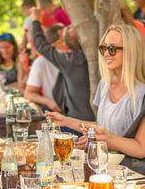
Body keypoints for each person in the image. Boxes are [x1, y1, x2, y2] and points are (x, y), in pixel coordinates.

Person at [46, 25, 145, 173]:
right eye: (103, 48)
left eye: (112, 48)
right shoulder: (105, 84)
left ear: (132, 51)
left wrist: (106, 138)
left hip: (131, 175)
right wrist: (66, 121)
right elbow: (105, 126)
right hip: (103, 167)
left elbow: (140, 149)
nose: (106, 54)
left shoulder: (141, 92)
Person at [31, 7, 95, 123]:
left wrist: (36, 20)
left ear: (65, 44)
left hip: (78, 123)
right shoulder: (96, 57)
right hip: (95, 119)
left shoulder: (71, 61)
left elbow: (40, 44)